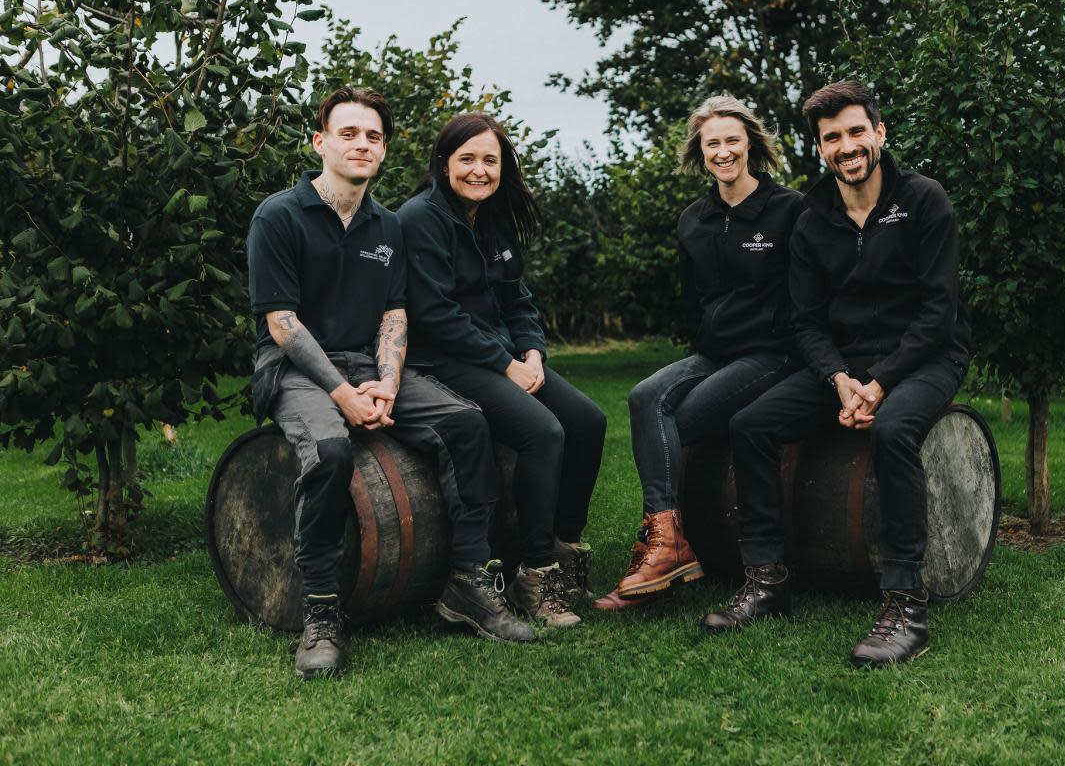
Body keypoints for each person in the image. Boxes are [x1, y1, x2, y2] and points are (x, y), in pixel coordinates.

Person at [248, 88, 536, 680]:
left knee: (466, 422)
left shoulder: (387, 225)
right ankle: (322, 611)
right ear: (320, 141)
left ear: (384, 149)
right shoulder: (279, 215)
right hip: (298, 370)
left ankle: (467, 582)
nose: (361, 145)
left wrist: (383, 382)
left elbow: (395, 316)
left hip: (369, 367)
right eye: (348, 133)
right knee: (330, 450)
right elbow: (283, 325)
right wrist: (343, 394)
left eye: (373, 136)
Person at [704, 81, 970, 669]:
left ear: (879, 133)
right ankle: (767, 581)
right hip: (845, 364)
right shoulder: (811, 216)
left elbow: (937, 310)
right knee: (750, 425)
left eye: (855, 132)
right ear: (819, 149)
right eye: (831, 138)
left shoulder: (925, 199)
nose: (845, 146)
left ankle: (905, 604)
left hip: (926, 356)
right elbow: (805, 321)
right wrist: (838, 379)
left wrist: (880, 381)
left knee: (895, 430)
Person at [594, 96, 805, 611]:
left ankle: (662, 545)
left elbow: (810, 293)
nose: (724, 151)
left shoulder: (790, 209)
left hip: (773, 354)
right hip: (713, 353)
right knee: (646, 397)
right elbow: (694, 299)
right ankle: (667, 543)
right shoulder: (693, 219)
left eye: (733, 140)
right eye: (713, 143)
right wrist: (701, 348)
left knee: (683, 418)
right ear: (701, 152)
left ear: (751, 144)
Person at [399, 113, 607, 629]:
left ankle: (565, 550)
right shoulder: (419, 219)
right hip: (443, 360)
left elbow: (518, 299)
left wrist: (533, 353)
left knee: (588, 421)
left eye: (490, 160)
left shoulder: (494, 218)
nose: (479, 170)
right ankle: (534, 574)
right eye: (467, 159)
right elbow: (435, 315)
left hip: (504, 356)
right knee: (542, 432)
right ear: (444, 162)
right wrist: (505, 365)